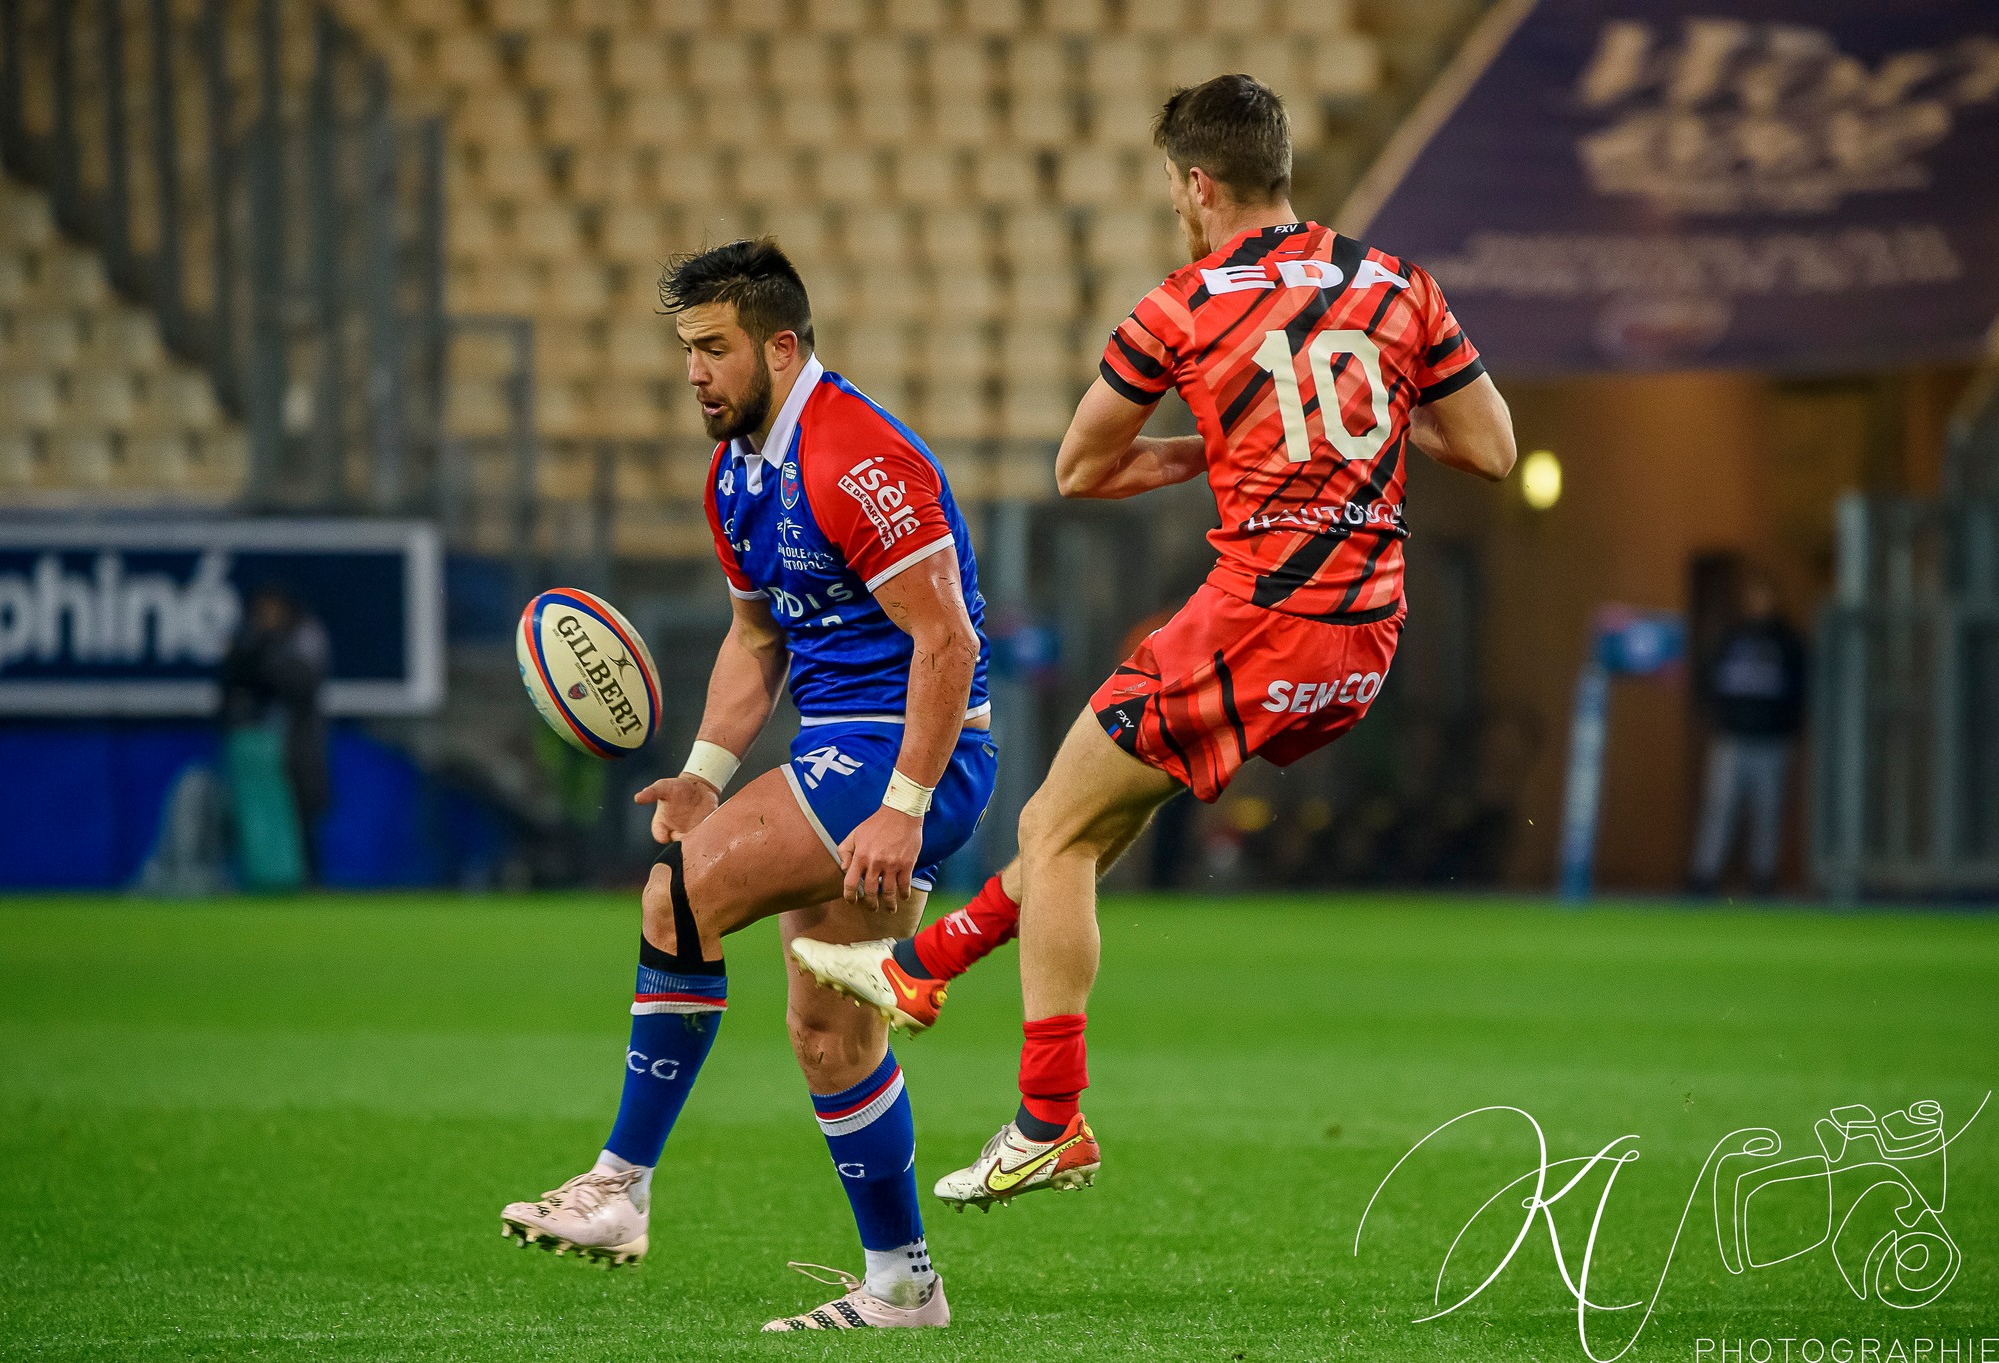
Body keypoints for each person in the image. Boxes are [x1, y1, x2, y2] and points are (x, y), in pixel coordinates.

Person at [790, 74, 1516, 1208]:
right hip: (1365, 636)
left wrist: (1206, 448)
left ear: (1196, 183)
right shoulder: (1395, 283)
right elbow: (1490, 448)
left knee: (1053, 826)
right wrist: (1357, 444)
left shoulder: (1181, 307)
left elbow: (1077, 471)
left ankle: (1048, 1120)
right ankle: (918, 969)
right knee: (1101, 815)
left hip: (1260, 620)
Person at [495, 239, 995, 1332]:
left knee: (678, 897)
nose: (694, 372)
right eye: (685, 350)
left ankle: (618, 1185)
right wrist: (702, 776)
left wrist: (902, 807)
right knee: (829, 1033)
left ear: (780, 345)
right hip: (842, 752)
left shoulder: (855, 456)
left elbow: (946, 644)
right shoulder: (734, 472)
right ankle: (904, 1285)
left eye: (713, 347)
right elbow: (753, 639)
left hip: (907, 750)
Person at [1688, 576, 1807, 896]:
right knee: (1720, 807)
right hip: (1732, 737)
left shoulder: (1786, 641)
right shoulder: (1731, 637)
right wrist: (1717, 718)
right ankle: (1705, 875)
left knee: (1768, 811)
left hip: (1772, 739)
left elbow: (1800, 689)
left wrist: (1790, 727)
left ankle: (1763, 877)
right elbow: (1707, 678)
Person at [217, 584, 331, 885]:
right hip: (254, 751)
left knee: (302, 822)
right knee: (250, 820)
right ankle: (254, 881)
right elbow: (231, 688)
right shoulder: (250, 637)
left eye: (272, 607)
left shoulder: (303, 634)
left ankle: (307, 886)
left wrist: (261, 659)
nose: (266, 615)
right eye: (261, 608)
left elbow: (300, 682)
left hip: (296, 749)